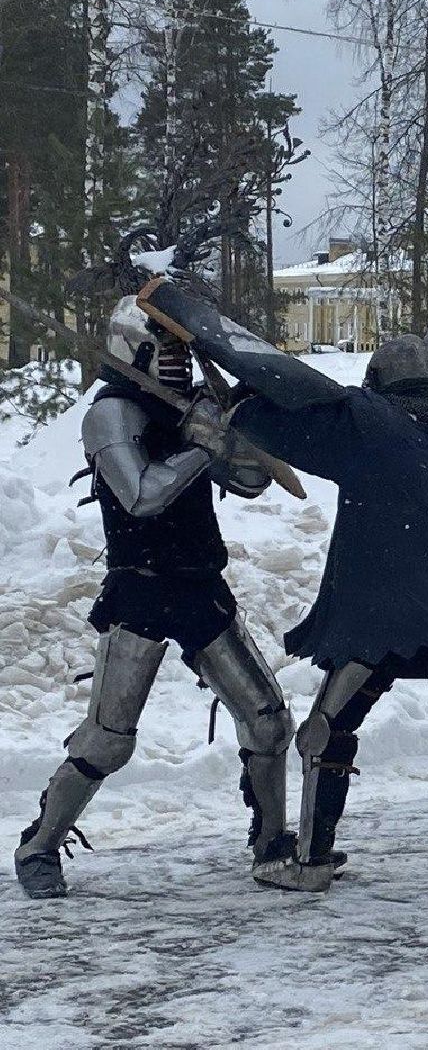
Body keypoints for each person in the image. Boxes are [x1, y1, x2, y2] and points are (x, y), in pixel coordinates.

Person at [142, 285, 428, 895]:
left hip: (385, 617)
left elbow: (305, 435)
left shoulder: (370, 424)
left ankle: (312, 860)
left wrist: (238, 412)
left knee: (325, 735)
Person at [14, 302, 295, 899]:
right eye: (165, 350)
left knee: (269, 721)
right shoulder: (111, 412)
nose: (176, 361)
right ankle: (40, 844)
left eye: (181, 351)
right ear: (134, 348)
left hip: (199, 583)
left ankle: (272, 843)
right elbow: (141, 495)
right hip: (140, 586)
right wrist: (200, 446)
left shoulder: (187, 405)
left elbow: (248, 482)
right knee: (109, 738)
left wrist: (238, 438)